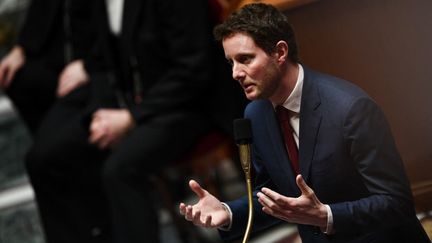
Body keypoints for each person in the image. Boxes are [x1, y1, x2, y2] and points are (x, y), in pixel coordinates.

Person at [179, 3, 430, 243]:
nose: (235, 73)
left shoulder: (350, 109)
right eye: (231, 62)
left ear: (280, 52)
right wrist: (227, 212)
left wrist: (326, 216)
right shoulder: (256, 114)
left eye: (245, 59)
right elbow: (274, 193)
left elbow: (396, 202)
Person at [24, 0, 244, 243]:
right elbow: (103, 57)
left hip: (188, 103)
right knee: (42, 157)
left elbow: (194, 71)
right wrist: (100, 114)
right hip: (131, 97)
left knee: (120, 169)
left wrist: (131, 117)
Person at [0, 0, 97, 134]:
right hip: (57, 57)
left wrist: (88, 65)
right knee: (17, 78)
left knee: (46, 151)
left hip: (97, 64)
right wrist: (21, 48)